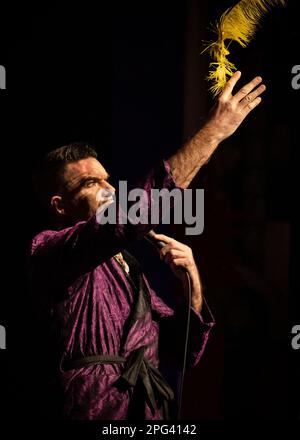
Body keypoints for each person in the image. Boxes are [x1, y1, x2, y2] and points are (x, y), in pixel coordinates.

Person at [29, 72, 266, 420]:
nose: (108, 189)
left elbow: (180, 351)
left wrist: (192, 286)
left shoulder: (127, 266)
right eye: (90, 183)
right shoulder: (49, 250)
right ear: (60, 205)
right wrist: (214, 131)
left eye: (108, 179)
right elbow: (135, 213)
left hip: (148, 414)